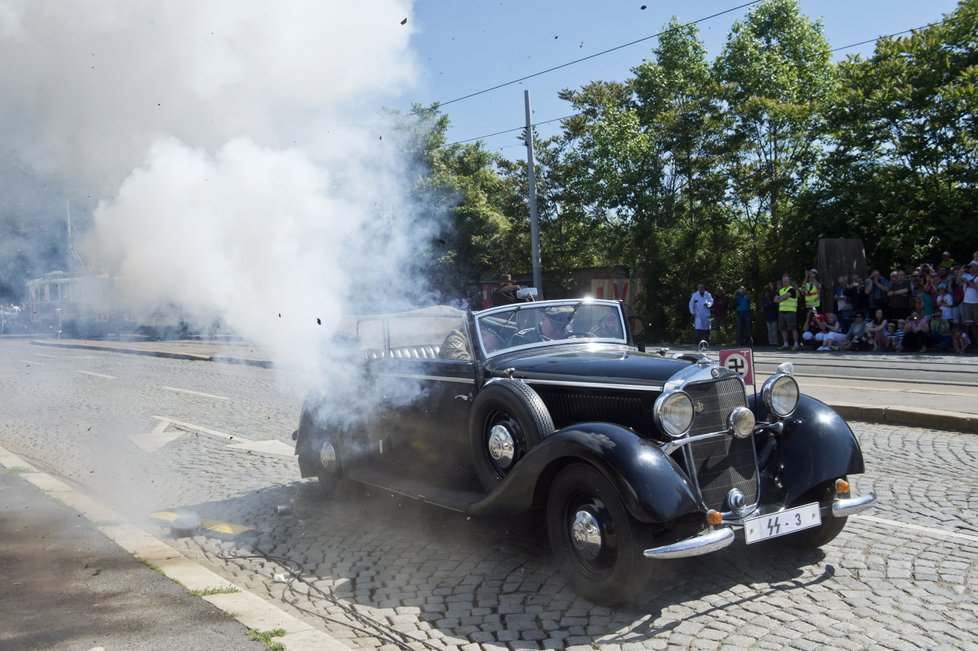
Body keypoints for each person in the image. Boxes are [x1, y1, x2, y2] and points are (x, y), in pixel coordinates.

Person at [775, 273, 800, 350]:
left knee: (793, 328)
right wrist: (781, 298)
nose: (784, 282)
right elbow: (775, 300)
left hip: (790, 311)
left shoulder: (792, 289)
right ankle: (785, 344)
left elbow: (782, 298)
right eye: (783, 281)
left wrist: (780, 298)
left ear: (789, 281)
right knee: (782, 328)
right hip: (782, 312)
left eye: (786, 281)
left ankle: (796, 344)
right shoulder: (781, 290)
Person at [961, 259, 978, 348]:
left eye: (973, 266)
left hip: (976, 303)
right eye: (970, 266)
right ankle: (975, 342)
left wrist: (969, 282)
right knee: (970, 324)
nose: (971, 268)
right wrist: (960, 272)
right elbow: (958, 281)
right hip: (967, 302)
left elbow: (976, 287)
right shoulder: (966, 275)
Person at [762, 282, 780, 346]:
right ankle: (771, 342)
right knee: (769, 330)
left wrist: (768, 305)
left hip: (773, 316)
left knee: (774, 330)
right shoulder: (764, 300)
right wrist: (768, 305)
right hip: (768, 317)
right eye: (765, 293)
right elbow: (764, 307)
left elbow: (771, 305)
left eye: (767, 292)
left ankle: (775, 342)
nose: (766, 294)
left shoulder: (772, 297)